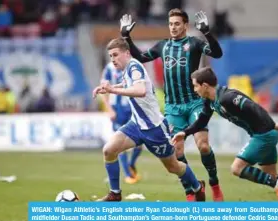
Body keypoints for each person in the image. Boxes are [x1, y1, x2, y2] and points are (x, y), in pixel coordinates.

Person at [119, 8, 224, 201]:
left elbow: (217, 53)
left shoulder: (195, 43)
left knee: (203, 147)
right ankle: (191, 190)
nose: (173, 27)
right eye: (171, 24)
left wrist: (207, 32)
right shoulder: (163, 46)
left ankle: (214, 184)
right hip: (173, 108)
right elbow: (141, 57)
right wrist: (127, 37)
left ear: (185, 25)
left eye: (177, 24)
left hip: (194, 103)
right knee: (176, 153)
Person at [92, 38, 205, 201]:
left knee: (173, 167)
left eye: (115, 55)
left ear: (127, 53)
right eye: (110, 56)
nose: (113, 59)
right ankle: (115, 194)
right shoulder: (127, 69)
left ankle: (197, 186)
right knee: (109, 150)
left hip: (154, 128)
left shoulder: (135, 66)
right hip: (136, 124)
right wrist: (108, 88)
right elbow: (127, 85)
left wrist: (113, 91)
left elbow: (140, 90)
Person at [172, 67, 278, 202]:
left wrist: (273, 124)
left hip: (264, 135)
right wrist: (185, 133)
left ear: (205, 86)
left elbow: (253, 107)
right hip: (265, 133)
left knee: (237, 168)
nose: (194, 90)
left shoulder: (227, 97)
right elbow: (201, 121)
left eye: (195, 86)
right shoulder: (210, 101)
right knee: (271, 175)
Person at [101, 62, 143, 184]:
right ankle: (128, 175)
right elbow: (104, 88)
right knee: (118, 143)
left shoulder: (134, 66)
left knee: (140, 142)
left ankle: (131, 164)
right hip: (117, 109)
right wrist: (109, 109)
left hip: (132, 107)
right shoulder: (109, 68)